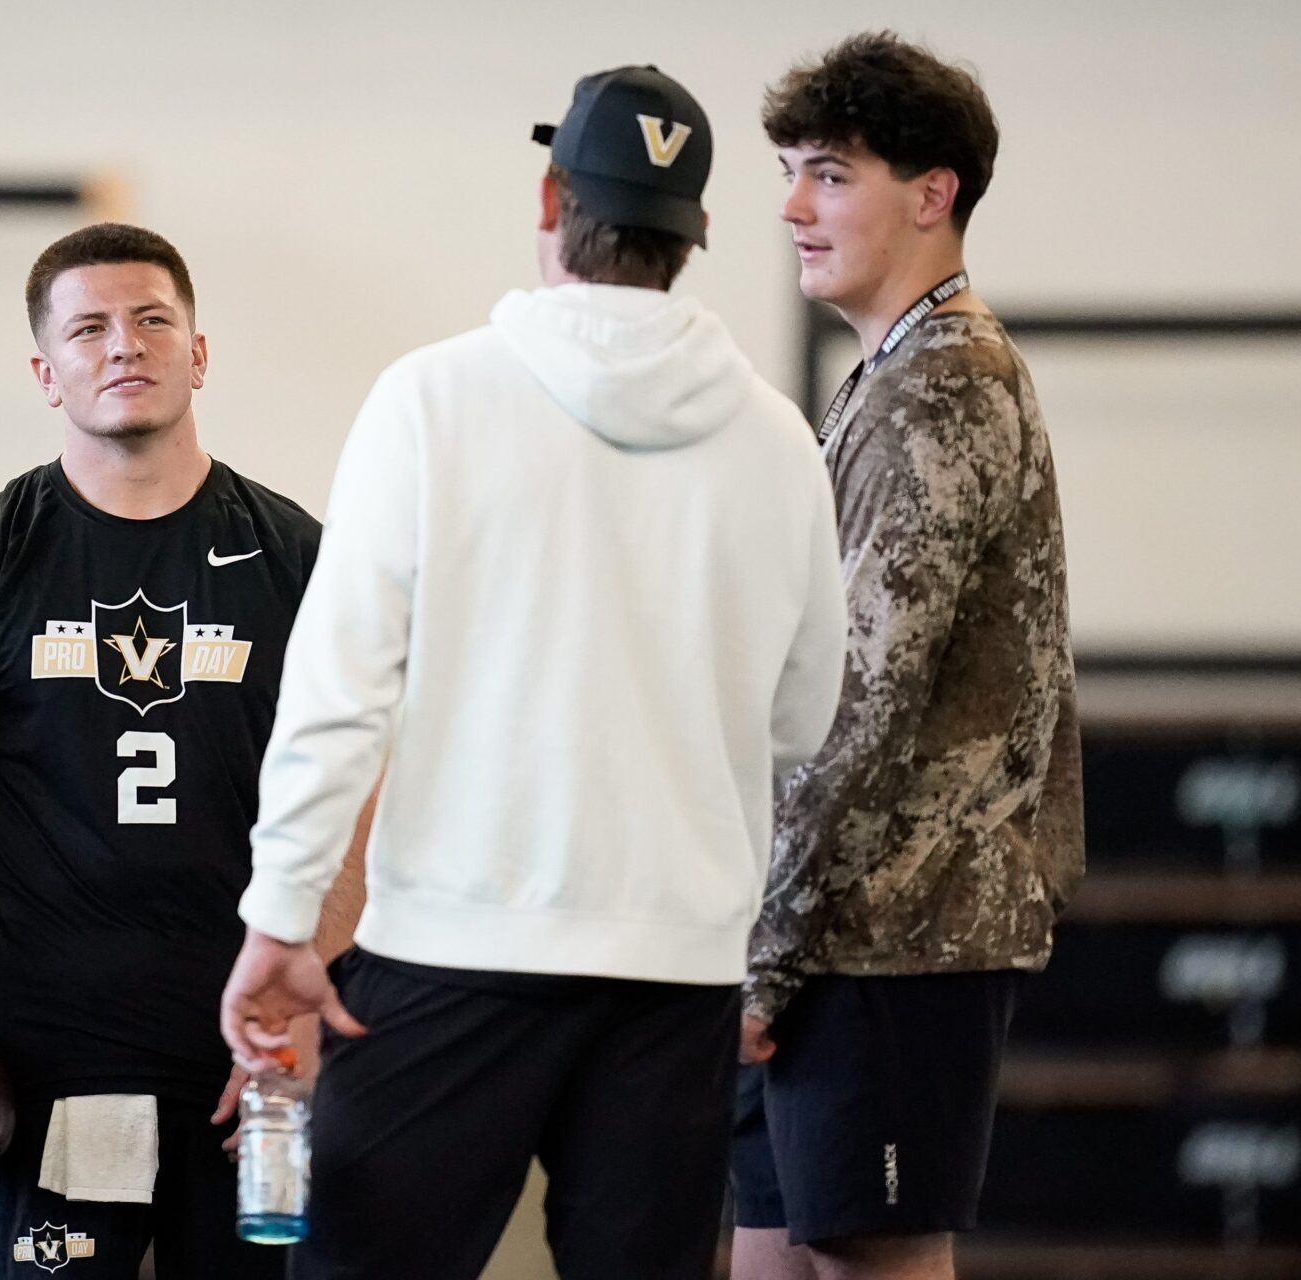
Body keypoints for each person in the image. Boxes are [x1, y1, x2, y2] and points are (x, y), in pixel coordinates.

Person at [218, 65, 848, 1280]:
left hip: (456, 946)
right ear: (700, 231)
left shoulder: (432, 401)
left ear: (552, 197)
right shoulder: (780, 439)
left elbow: (339, 693)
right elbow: (805, 715)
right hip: (676, 973)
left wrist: (280, 915)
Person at [0, 222, 366, 1279]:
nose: (124, 345)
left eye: (154, 320)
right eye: (90, 327)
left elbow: (359, 806)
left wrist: (310, 1002)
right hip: (54, 1067)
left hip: (248, 1059)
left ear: (198, 352)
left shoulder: (303, 563)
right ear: (45, 371)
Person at [730, 33, 1086, 1280]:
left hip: (896, 926)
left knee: (870, 1256)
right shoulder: (891, 371)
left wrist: (764, 948)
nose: (791, 206)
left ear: (932, 193)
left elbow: (862, 695)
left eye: (828, 173)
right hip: (838, 918)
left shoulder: (943, 382)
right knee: (773, 1248)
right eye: (791, 172)